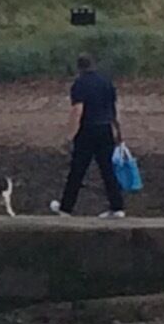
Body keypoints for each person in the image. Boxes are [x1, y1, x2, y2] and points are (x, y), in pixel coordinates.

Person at [51, 52, 126, 218]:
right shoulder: (106, 83)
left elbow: (78, 110)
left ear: (79, 68)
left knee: (77, 171)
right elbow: (114, 110)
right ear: (94, 65)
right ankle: (117, 208)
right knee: (108, 170)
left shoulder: (79, 84)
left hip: (87, 130)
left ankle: (66, 209)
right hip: (105, 129)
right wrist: (119, 132)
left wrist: (70, 135)